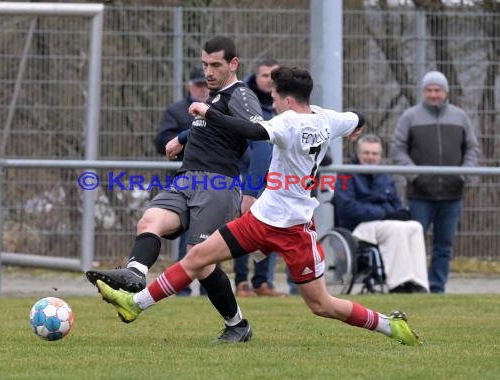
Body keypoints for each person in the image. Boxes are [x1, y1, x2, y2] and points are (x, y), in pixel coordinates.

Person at [94, 66, 422, 347]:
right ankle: (135, 304)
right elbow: (357, 117)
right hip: (262, 220)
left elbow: (250, 130)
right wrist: (359, 126)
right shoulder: (328, 118)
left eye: (275, 98)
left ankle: (388, 325)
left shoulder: (287, 122)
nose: (273, 104)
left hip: (293, 230)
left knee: (321, 305)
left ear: (288, 99)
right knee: (196, 256)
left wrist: (209, 112)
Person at [86, 36, 269, 342]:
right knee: (149, 222)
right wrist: (183, 137)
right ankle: (135, 274)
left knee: (198, 260)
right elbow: (214, 123)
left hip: (217, 184)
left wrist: (251, 193)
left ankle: (237, 324)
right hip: (185, 180)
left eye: (216, 65)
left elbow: (261, 140)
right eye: (204, 64)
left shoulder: (241, 95)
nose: (208, 71)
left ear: (234, 64)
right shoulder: (213, 97)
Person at [392, 70, 479, 293]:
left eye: (437, 90)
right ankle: (417, 287)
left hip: (452, 195)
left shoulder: (460, 117)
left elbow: (472, 148)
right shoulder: (409, 117)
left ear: (446, 92)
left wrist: (463, 175)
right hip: (420, 194)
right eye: (429, 90)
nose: (433, 94)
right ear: (424, 92)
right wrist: (416, 176)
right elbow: (398, 149)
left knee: (444, 246)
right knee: (416, 244)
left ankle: (437, 287)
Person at [334, 134, 429, 293]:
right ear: (358, 154)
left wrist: (393, 214)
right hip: (358, 227)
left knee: (414, 227)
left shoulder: (385, 175)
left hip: (383, 223)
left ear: (380, 156)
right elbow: (347, 207)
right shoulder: (346, 174)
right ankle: (399, 284)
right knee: (395, 228)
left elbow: (396, 204)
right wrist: (382, 213)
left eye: (374, 154)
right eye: (366, 153)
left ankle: (418, 283)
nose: (370, 157)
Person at [154, 66, 210, 296]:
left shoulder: (217, 110)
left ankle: (209, 287)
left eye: (205, 85)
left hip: (212, 180)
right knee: (184, 233)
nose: (202, 89)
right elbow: (161, 141)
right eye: (198, 84)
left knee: (209, 236)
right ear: (189, 86)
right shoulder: (177, 111)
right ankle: (182, 287)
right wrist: (190, 139)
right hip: (184, 180)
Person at [234, 58, 287, 298]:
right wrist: (254, 163)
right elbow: (239, 141)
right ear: (256, 76)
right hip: (246, 174)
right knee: (243, 228)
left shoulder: (284, 105)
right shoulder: (243, 101)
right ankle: (241, 281)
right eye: (264, 75)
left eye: (273, 76)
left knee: (270, 229)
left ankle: (262, 282)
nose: (269, 80)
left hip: (276, 178)